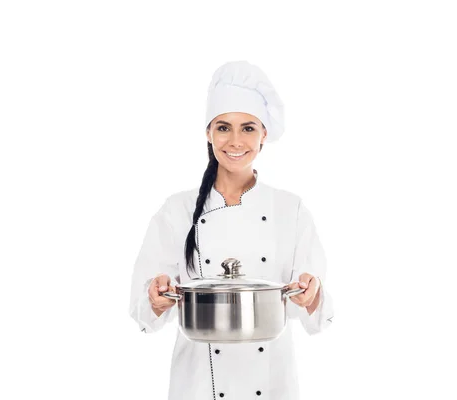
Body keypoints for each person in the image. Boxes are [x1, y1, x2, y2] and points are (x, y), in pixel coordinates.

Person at [129, 60, 334, 400]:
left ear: (264, 133)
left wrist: (312, 296)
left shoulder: (290, 209)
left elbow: (318, 316)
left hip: (271, 384)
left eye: (248, 128)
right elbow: (142, 312)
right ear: (207, 133)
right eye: (223, 128)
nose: (235, 141)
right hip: (197, 385)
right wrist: (155, 295)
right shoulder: (177, 210)